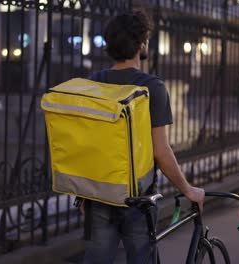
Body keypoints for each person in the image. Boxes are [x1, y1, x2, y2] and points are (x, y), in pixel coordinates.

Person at [82, 11, 205, 264]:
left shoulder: (94, 83)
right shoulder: (152, 87)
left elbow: (89, 146)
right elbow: (161, 151)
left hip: (99, 195)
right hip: (138, 199)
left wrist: (83, 194)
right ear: (141, 44)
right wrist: (188, 189)